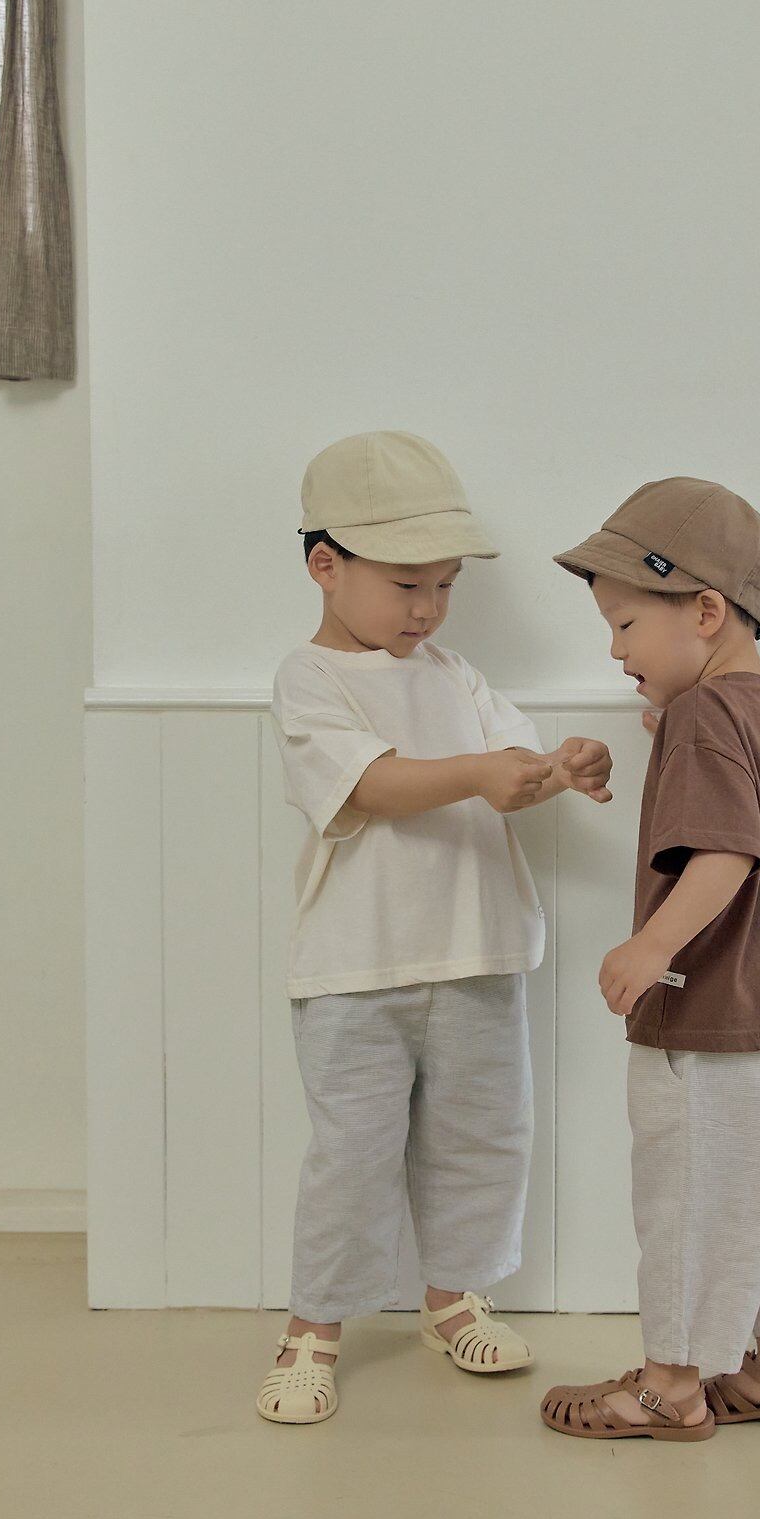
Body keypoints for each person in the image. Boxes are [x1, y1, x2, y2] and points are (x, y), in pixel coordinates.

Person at [257, 430, 612, 1423]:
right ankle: (312, 1328)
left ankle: (453, 1298)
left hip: (477, 953)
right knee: (351, 1156)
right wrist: (479, 772)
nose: (428, 607)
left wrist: (561, 768)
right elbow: (369, 784)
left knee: (482, 1138)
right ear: (325, 565)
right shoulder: (310, 679)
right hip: (354, 967)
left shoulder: (458, 677)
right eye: (407, 583)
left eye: (445, 585)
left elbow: (513, 772)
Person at [540, 477, 760, 1443]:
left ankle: (670, 1386)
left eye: (626, 624)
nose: (615, 650)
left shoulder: (703, 719)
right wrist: (675, 736)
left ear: (707, 612)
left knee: (689, 1203)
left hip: (721, 1021)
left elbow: (725, 850)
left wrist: (651, 943)